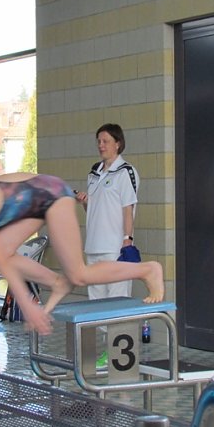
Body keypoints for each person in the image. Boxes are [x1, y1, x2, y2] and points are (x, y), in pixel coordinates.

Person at [0, 172, 165, 335]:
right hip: (32, 201)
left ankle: (147, 270)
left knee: (79, 275)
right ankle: (57, 283)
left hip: (52, 195)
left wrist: (28, 307)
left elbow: (6, 266)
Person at [75, 123, 139, 298]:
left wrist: (127, 240)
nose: (101, 145)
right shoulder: (94, 172)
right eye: (99, 141)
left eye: (105, 141)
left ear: (117, 143)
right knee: (96, 302)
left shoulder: (125, 172)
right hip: (93, 247)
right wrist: (85, 202)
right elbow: (93, 211)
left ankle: (121, 327)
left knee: (117, 299)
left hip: (114, 247)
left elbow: (128, 208)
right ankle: (99, 328)